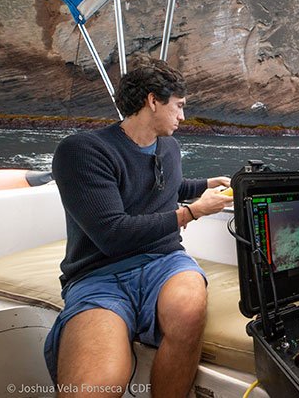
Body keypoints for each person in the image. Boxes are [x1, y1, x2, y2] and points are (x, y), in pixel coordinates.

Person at [45, 57, 234, 396]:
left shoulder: (169, 147)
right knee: (95, 386)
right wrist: (191, 213)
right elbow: (112, 235)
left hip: (164, 259)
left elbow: (168, 186)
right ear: (152, 101)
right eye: (178, 106)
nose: (183, 116)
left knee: (189, 307)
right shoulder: (83, 151)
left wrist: (208, 183)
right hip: (99, 273)